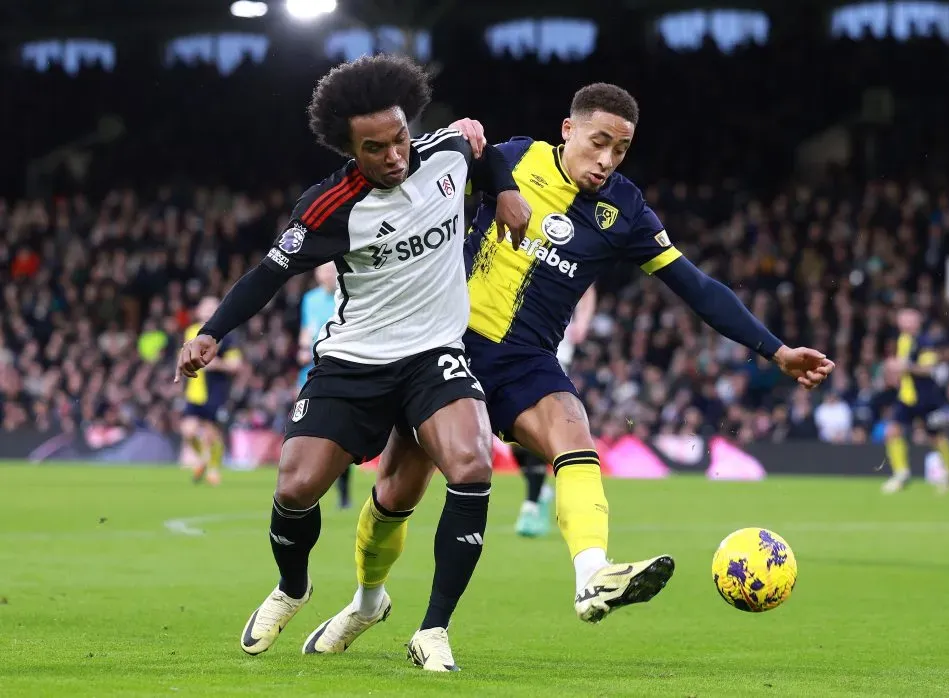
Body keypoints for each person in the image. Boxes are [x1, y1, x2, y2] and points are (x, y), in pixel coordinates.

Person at [337, 82, 834, 638]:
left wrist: (778, 349)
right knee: (398, 492)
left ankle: (592, 573)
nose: (607, 159)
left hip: (525, 362)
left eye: (620, 150)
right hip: (447, 344)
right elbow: (418, 183)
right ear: (568, 129)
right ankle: (366, 600)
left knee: (574, 431)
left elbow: (696, 287)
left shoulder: (625, 210)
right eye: (599, 142)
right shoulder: (513, 158)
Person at [175, 54, 530, 670]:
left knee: (472, 465)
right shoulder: (328, 207)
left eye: (399, 139)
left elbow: (481, 147)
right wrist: (213, 333)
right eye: (376, 148)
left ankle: (434, 628)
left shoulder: (443, 154)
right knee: (296, 484)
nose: (395, 156)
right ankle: (293, 587)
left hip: (433, 354)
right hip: (354, 360)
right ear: (349, 150)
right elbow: (268, 273)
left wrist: (504, 188)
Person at [514, 284, 597, 538]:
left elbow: (588, 287)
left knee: (539, 417)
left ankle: (531, 504)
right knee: (513, 429)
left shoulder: (563, 248)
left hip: (553, 352)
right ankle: (539, 489)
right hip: (515, 346)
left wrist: (582, 321)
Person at [881, 308, 949, 493]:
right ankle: (901, 473)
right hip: (907, 397)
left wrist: (904, 366)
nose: (902, 322)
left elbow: (928, 369)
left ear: (916, 322)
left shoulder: (925, 342)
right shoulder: (903, 340)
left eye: (907, 318)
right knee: (892, 431)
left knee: (935, 437)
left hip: (926, 398)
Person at [297, 262, 352, 509]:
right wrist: (301, 347)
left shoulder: (348, 292)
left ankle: (342, 491)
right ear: (317, 274)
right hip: (312, 370)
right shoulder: (310, 299)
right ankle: (306, 488)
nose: (327, 275)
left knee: (342, 434)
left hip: (342, 369)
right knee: (308, 431)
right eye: (323, 270)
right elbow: (306, 330)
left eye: (331, 270)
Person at [179, 295, 242, 486]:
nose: (208, 311)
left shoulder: (226, 335)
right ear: (198, 311)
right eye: (205, 307)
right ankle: (202, 459)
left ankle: (213, 469)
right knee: (188, 431)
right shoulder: (190, 331)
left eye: (212, 308)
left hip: (215, 390)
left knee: (211, 434)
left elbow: (236, 364)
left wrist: (217, 364)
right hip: (194, 390)